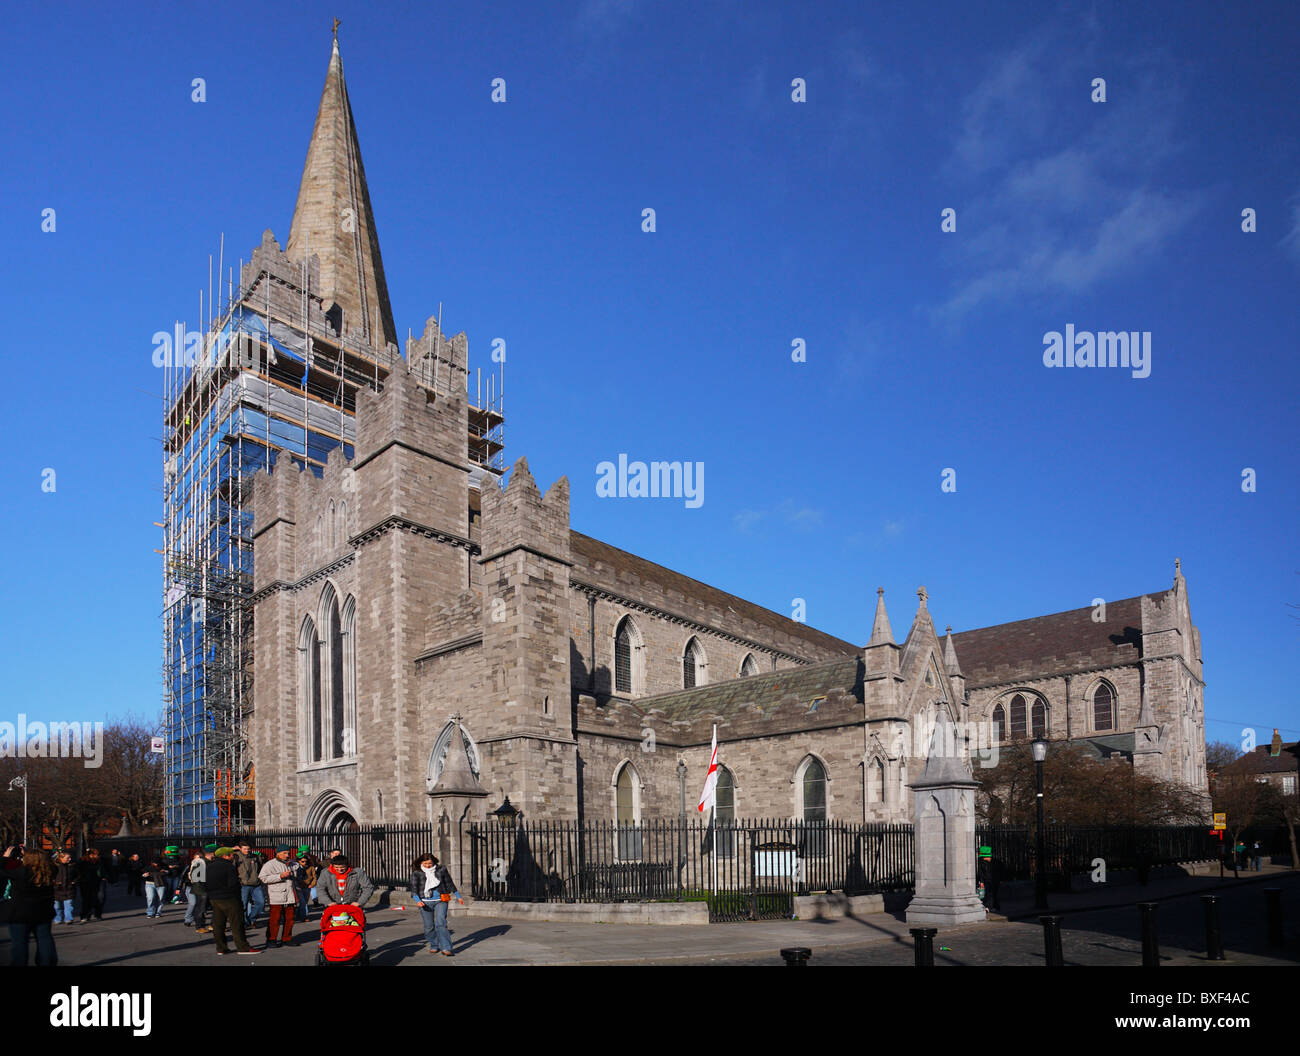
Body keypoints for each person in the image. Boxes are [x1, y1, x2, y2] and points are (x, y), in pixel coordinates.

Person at [5, 850, 57, 965]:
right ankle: (46, 962)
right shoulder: (49, 872)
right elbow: (53, 863)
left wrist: (6, 857)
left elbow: (3, 871)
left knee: (20, 944)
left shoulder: (20, 872)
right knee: (44, 940)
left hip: (20, 914)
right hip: (43, 912)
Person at [205, 847, 261, 955]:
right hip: (229, 898)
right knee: (236, 924)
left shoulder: (209, 866)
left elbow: (205, 882)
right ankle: (243, 947)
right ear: (225, 856)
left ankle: (221, 948)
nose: (233, 857)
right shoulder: (228, 866)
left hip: (214, 898)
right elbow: (233, 884)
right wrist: (237, 895)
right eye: (231, 855)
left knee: (218, 924)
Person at [409, 853, 464, 957]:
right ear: (421, 863)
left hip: (441, 900)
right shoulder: (417, 873)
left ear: (434, 862)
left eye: (430, 863)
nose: (428, 865)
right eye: (425, 863)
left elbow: (449, 883)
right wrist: (417, 900)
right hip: (425, 902)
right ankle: (434, 944)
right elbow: (414, 888)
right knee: (428, 927)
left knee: (441, 923)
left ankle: (446, 948)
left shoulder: (441, 869)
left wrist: (458, 896)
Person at [260, 845, 301, 948]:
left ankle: (287, 939)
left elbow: (300, 875)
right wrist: (279, 876)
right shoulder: (270, 864)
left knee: (290, 919)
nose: (287, 855)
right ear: (278, 853)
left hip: (290, 895)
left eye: (288, 853)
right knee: (275, 919)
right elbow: (263, 878)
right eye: (284, 853)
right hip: (276, 895)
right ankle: (271, 939)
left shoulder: (293, 864)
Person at [232, 840, 265, 928]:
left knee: (261, 903)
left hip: (256, 884)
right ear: (240, 849)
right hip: (243, 884)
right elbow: (220, 853)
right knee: (243, 905)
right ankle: (245, 923)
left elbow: (261, 868)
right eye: (245, 849)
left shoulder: (255, 857)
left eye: (248, 849)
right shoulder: (236, 857)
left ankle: (252, 919)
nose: (247, 851)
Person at [76, 849, 104, 922]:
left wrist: (104, 876)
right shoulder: (83, 861)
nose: (97, 856)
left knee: (98, 899)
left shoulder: (99, 861)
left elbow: (103, 870)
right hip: (85, 882)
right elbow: (77, 871)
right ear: (90, 855)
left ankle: (97, 914)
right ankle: (85, 915)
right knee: (86, 899)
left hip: (96, 882)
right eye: (96, 855)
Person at [52, 851, 76, 925]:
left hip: (69, 888)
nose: (70, 859)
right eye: (67, 858)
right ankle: (57, 918)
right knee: (57, 906)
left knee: (69, 904)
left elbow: (78, 874)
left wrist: (74, 881)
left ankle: (68, 919)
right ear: (61, 858)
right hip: (57, 889)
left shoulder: (72, 865)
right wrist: (55, 882)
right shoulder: (55, 866)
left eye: (70, 858)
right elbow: (50, 875)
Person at [295, 850, 317, 922]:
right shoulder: (296, 868)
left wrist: (312, 884)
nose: (304, 863)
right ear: (299, 861)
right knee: (303, 902)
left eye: (306, 861)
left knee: (304, 902)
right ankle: (305, 916)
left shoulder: (311, 867)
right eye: (302, 861)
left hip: (307, 887)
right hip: (299, 887)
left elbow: (314, 877)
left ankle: (298, 915)